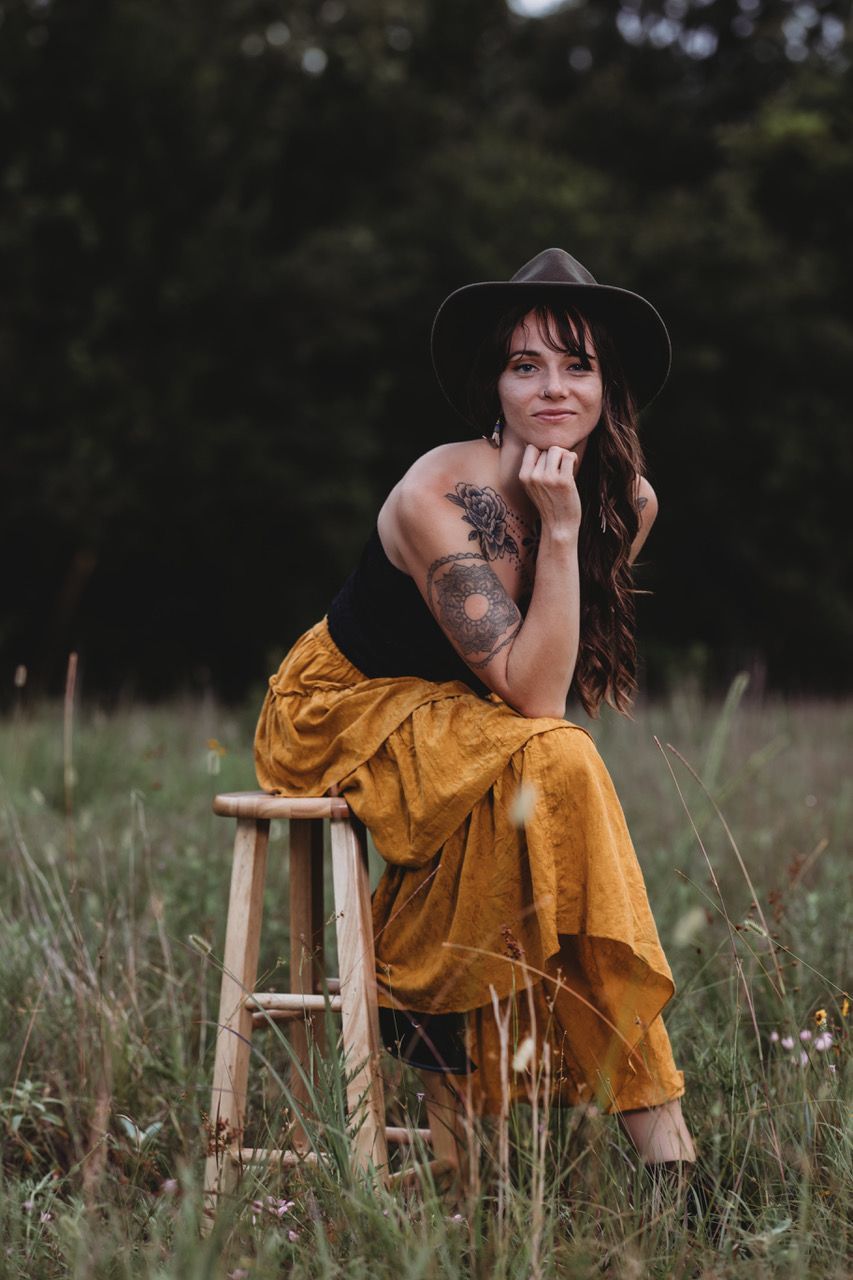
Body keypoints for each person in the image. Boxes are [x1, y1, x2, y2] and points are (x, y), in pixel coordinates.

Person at [254, 248, 697, 1177]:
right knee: (557, 753)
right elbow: (538, 694)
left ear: (607, 386)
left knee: (549, 767)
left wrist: (580, 520)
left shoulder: (631, 500)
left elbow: (537, 692)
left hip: (473, 723)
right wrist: (562, 531)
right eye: (525, 364)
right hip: (342, 708)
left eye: (577, 365)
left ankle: (644, 1161)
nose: (553, 389)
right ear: (491, 384)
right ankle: (661, 1154)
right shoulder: (435, 497)